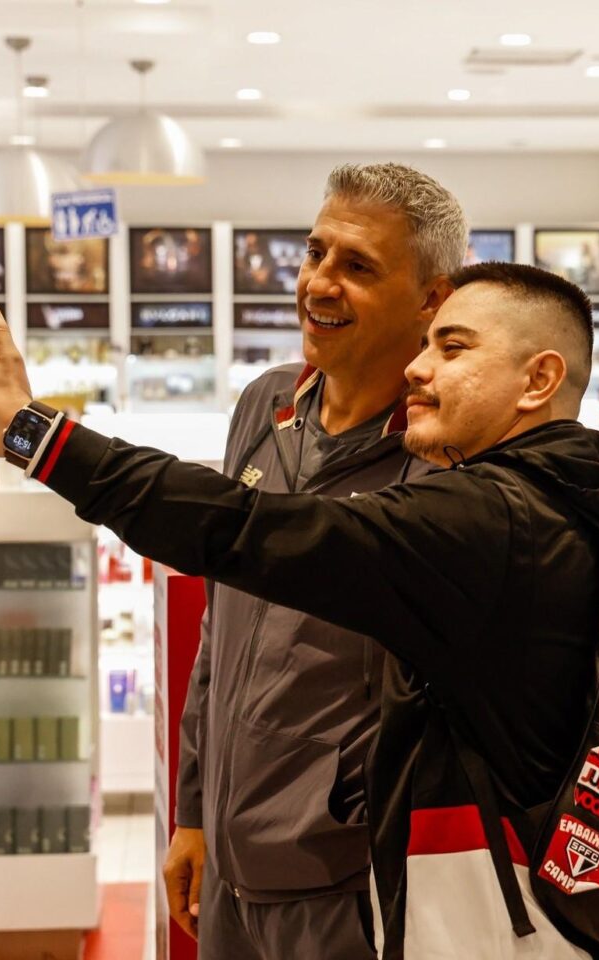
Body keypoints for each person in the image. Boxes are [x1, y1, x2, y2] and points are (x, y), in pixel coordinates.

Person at [0, 261, 599, 959]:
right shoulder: (587, 500)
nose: (418, 369)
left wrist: (29, 433)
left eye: (452, 348)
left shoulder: (488, 524)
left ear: (540, 380)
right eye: (427, 344)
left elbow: (238, 528)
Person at [174, 162, 465, 959]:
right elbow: (220, 624)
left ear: (432, 299)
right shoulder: (265, 405)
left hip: (348, 888)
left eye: (358, 266)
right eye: (315, 253)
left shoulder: (445, 457)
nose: (318, 284)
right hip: (229, 874)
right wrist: (194, 808)